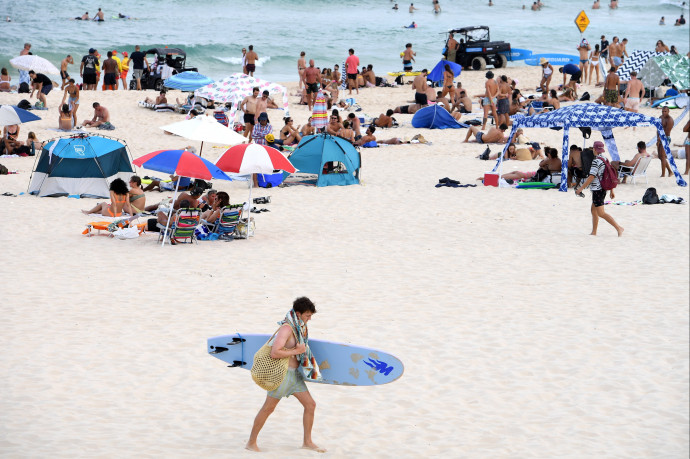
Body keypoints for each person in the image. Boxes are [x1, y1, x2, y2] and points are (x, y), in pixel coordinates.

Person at [246, 297, 325, 453]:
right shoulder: (287, 329)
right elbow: (275, 352)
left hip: (295, 377)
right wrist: (297, 351)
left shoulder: (299, 328)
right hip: (282, 376)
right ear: (298, 313)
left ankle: (307, 442)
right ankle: (251, 442)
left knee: (310, 405)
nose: (309, 319)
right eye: (307, 315)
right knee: (268, 409)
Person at [575, 141, 624, 237]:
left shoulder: (596, 161)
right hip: (603, 188)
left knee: (601, 213)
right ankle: (594, 232)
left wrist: (580, 189)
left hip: (598, 190)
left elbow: (591, 177)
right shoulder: (605, 159)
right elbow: (608, 175)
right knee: (593, 211)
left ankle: (619, 228)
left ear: (594, 149)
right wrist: (611, 190)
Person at [658, 106, 674, 177]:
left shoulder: (670, 120)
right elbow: (658, 129)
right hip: (659, 137)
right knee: (660, 156)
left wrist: (661, 138)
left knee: (663, 156)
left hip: (666, 138)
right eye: (663, 111)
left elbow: (667, 131)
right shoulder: (660, 117)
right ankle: (670, 171)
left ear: (668, 111)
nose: (664, 113)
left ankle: (663, 174)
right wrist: (657, 139)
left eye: (665, 111)